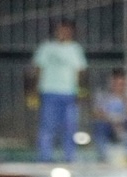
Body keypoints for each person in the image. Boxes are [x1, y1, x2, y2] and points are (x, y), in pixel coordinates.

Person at [29, 19, 87, 163]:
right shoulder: (46, 48)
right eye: (60, 30)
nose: (63, 33)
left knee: (70, 126)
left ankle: (69, 157)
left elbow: (80, 71)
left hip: (69, 93)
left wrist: (80, 91)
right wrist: (34, 89)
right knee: (47, 126)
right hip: (49, 92)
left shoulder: (75, 49)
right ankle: (45, 157)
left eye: (66, 30)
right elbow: (37, 69)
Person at [91, 69, 127, 164]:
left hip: (125, 125)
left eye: (121, 84)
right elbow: (97, 113)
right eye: (116, 83)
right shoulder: (102, 95)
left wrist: (124, 100)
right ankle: (103, 157)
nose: (118, 86)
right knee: (99, 126)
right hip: (108, 125)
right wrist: (113, 121)